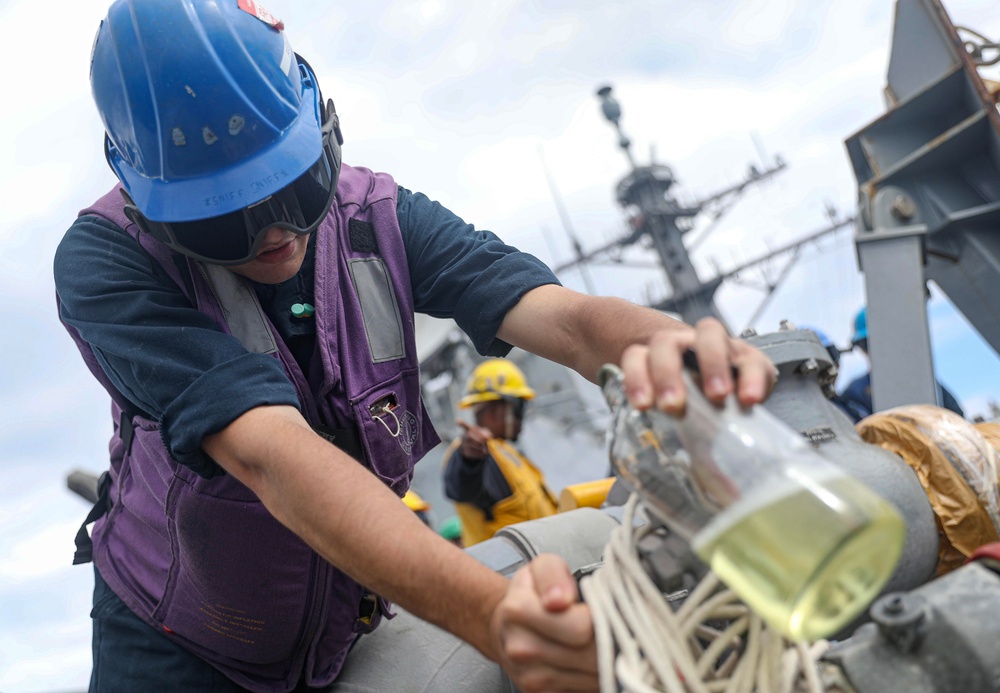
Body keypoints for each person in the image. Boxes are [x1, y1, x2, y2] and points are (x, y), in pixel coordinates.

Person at [54, 2, 776, 691]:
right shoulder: (106, 261)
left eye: (296, 190)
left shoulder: (383, 220)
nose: (273, 232)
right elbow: (269, 454)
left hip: (339, 624)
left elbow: (567, 319)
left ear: (324, 134)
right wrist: (493, 615)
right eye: (221, 222)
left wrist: (673, 345)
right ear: (151, 207)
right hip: (175, 649)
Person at [443, 359, 558, 546]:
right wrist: (470, 461)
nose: (522, 418)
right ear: (496, 410)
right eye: (520, 408)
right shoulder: (477, 453)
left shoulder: (507, 454)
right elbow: (463, 487)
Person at [839, 307, 965, 422]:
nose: (876, 351)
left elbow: (957, 421)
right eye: (866, 344)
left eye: (882, 343)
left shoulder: (924, 383)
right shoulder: (854, 393)